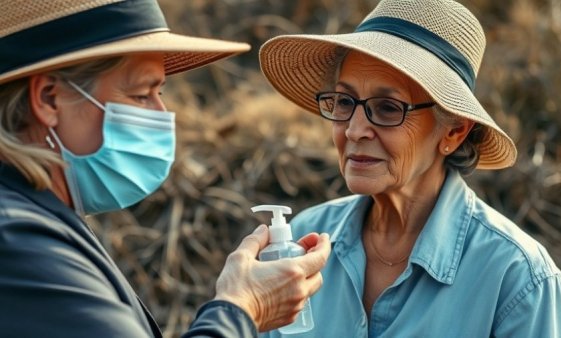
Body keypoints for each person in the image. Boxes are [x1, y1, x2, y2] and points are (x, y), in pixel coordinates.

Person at [0, 0, 331, 337]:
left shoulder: (43, 220)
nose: (162, 113)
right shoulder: (17, 244)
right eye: (142, 94)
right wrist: (243, 307)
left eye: (160, 91)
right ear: (49, 99)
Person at [258, 0, 561, 336]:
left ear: (454, 130)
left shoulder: (516, 279)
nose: (354, 130)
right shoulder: (303, 243)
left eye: (388, 108)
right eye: (345, 102)